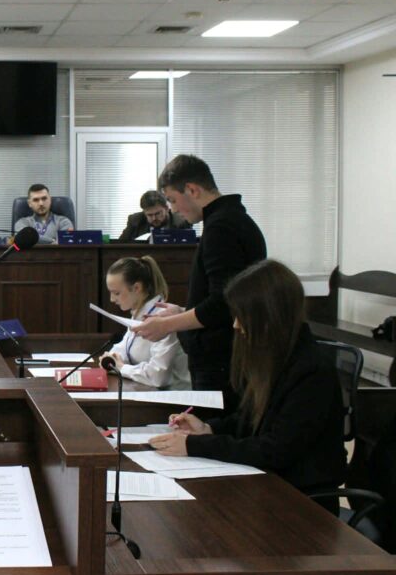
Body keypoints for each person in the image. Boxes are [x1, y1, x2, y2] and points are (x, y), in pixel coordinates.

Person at [148, 260, 347, 511]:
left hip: (303, 503)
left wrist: (195, 445)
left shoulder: (312, 370)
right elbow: (253, 418)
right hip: (271, 486)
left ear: (269, 315)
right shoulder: (278, 356)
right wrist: (208, 428)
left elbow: (276, 450)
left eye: (242, 316)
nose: (236, 325)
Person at [134, 155, 266, 410]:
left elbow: (223, 305)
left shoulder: (221, 228)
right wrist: (183, 312)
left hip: (221, 358)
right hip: (227, 354)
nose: (173, 209)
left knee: (213, 426)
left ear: (192, 190)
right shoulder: (231, 219)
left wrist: (167, 325)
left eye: (173, 200)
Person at [100, 256, 190, 390]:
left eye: (116, 293)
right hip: (148, 390)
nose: (112, 299)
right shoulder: (138, 313)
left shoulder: (163, 318)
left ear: (136, 288)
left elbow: (158, 376)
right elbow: (123, 350)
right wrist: (111, 358)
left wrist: (121, 368)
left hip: (174, 395)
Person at [119, 190, 191, 241]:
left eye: (157, 213)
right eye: (149, 215)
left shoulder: (181, 221)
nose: (154, 218)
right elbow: (120, 245)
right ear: (144, 212)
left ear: (166, 208)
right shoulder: (135, 221)